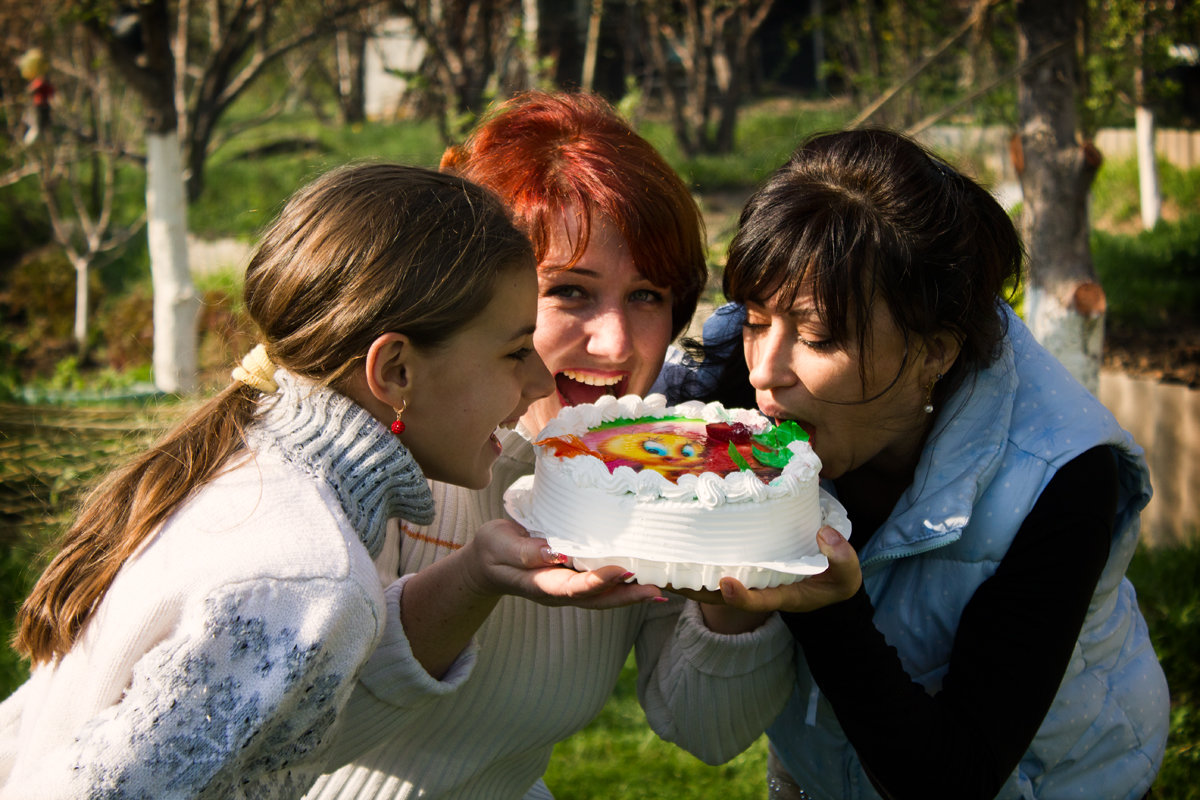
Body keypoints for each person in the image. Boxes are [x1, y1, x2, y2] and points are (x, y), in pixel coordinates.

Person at [0, 162, 651, 798]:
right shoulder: (308, 577)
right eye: (514, 352)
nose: (538, 383)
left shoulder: (245, 473)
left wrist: (474, 574)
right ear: (395, 371)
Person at [306, 91, 796, 800]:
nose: (619, 344)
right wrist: (473, 579)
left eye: (648, 296)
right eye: (569, 291)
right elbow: (302, 732)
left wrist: (735, 588)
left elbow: (707, 731)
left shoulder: (650, 465)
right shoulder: (362, 450)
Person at [660, 128, 1170, 800]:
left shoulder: (1062, 479)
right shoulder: (737, 385)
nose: (766, 371)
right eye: (755, 319)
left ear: (936, 351)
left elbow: (952, 780)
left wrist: (823, 604)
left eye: (819, 336)